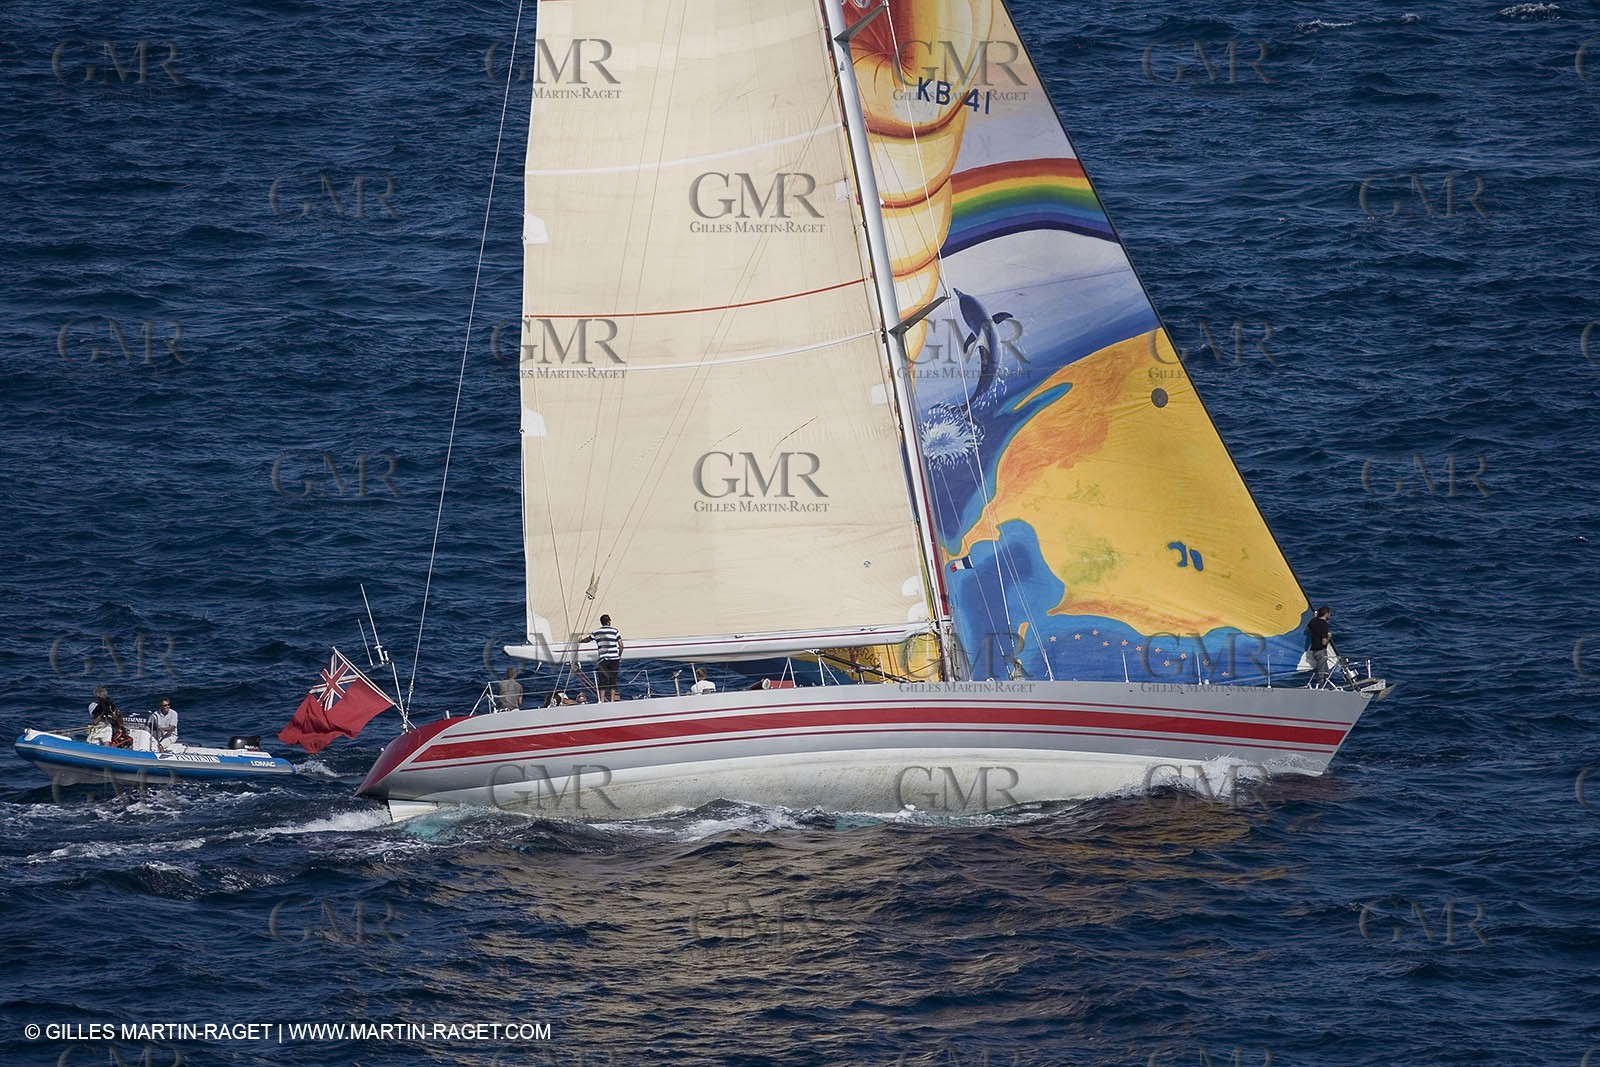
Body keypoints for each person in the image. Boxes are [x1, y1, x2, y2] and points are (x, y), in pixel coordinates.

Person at [584, 614, 623, 702]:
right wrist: (619, 656)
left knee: (602, 680)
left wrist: (580, 640)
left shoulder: (596, 632)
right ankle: (612, 700)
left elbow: (588, 639)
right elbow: (621, 645)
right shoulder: (615, 631)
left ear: (601, 622)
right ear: (609, 621)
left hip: (603, 659)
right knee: (613, 679)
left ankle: (602, 700)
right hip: (614, 659)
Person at [1304, 605, 1333, 687]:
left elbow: (1307, 630)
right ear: (1326, 614)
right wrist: (1329, 637)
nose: (1330, 615)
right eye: (1329, 613)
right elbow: (1324, 642)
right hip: (1321, 651)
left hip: (1314, 651)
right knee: (1322, 674)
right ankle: (1321, 688)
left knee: (1326, 672)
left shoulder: (1313, 622)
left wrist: (1315, 618)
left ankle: (1326, 687)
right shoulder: (1324, 625)